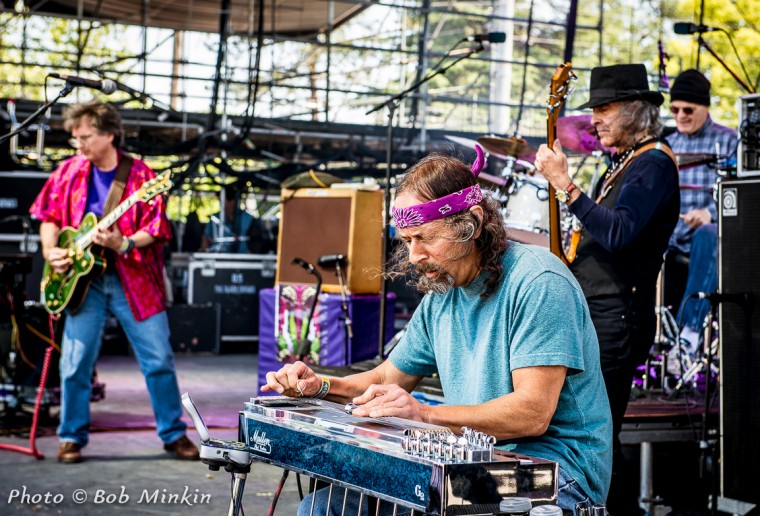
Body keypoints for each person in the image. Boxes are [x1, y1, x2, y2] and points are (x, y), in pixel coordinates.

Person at [263, 146, 612, 514]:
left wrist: (425, 415)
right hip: (473, 460)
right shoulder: (442, 294)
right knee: (325, 508)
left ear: (472, 224)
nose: (413, 256)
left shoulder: (538, 280)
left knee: (439, 495)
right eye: (407, 240)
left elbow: (532, 412)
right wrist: (320, 387)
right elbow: (388, 377)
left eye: (425, 238)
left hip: (553, 473)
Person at [535, 63, 680, 514]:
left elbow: (619, 233)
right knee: (592, 433)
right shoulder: (626, 164)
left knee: (599, 436)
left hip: (618, 318)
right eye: (593, 108)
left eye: (604, 108)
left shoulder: (654, 164)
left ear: (635, 111)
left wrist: (566, 186)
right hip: (599, 313)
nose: (594, 118)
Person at [30, 101, 199, 463]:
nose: (79, 145)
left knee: (158, 359)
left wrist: (122, 242)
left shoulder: (140, 176)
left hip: (133, 280)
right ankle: (71, 436)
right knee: (74, 363)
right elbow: (48, 216)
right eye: (76, 138)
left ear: (109, 134)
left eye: (86, 137)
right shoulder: (68, 172)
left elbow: (156, 230)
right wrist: (50, 251)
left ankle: (173, 433)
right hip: (82, 283)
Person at [664, 69, 738, 352]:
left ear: (704, 107)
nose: (680, 115)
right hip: (671, 236)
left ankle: (690, 334)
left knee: (709, 233)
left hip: (710, 237)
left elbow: (741, 195)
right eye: (674, 109)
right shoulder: (668, 145)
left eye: (687, 109)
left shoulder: (731, 141)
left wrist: (712, 212)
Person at [200, 185, 255, 253]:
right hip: (218, 259)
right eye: (221, 200)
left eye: (223, 200)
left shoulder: (247, 218)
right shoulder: (215, 218)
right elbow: (206, 240)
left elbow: (256, 242)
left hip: (243, 259)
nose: (222, 203)